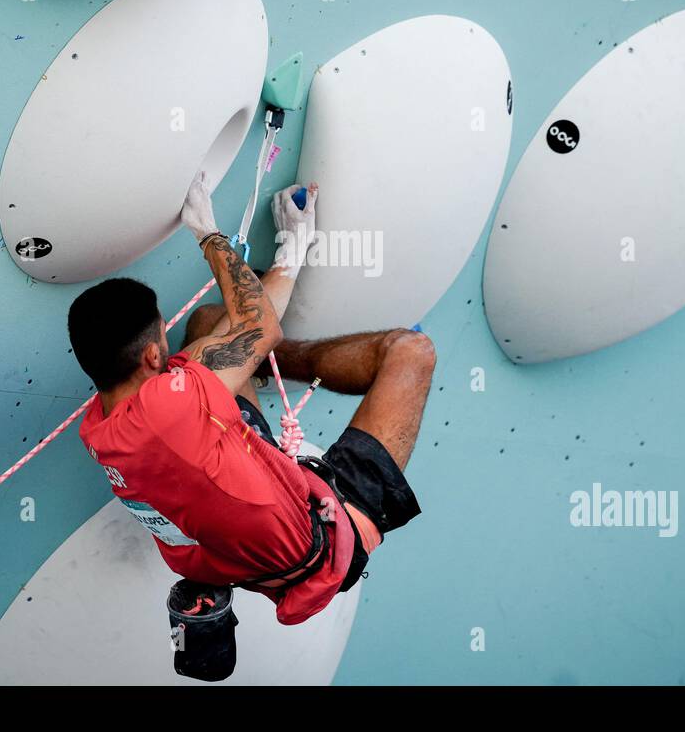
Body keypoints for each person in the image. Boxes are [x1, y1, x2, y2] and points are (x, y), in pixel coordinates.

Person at [67, 174, 433, 624]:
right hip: (322, 544)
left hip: (236, 548)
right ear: (150, 355)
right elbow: (261, 326)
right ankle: (299, 361)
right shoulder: (171, 404)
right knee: (411, 352)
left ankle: (267, 358)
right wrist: (206, 233)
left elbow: (244, 332)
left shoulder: (99, 425)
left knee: (207, 323)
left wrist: (290, 255)